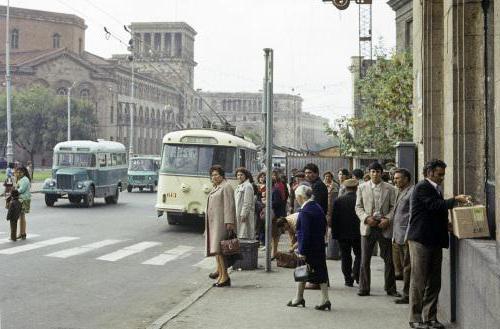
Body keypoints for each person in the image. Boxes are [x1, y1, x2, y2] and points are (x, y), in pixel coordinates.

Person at [406, 160, 469, 329]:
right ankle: (416, 319)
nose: (442, 178)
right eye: (439, 174)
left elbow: (433, 212)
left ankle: (430, 317)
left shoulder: (435, 188)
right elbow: (434, 206)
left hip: (434, 239)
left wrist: (446, 225)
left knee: (434, 281)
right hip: (420, 240)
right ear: (429, 172)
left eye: (443, 174)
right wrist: (455, 200)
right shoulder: (422, 187)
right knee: (419, 281)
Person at [355, 162, 399, 297]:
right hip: (368, 227)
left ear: (382, 173)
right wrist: (366, 218)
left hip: (383, 227)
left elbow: (394, 207)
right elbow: (358, 207)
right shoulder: (362, 187)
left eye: (378, 172)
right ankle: (364, 288)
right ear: (369, 172)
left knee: (389, 259)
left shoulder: (390, 188)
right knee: (365, 259)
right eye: (373, 171)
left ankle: (390, 288)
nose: (375, 174)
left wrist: (387, 219)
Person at [287, 185, 330, 311]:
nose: (296, 199)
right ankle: (321, 298)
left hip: (309, 247)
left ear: (300, 197)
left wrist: (302, 251)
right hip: (318, 245)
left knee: (303, 271)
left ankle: (301, 298)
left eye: (296, 197)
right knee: (318, 272)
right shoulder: (317, 207)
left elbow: (304, 233)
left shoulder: (305, 212)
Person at [205, 165, 236, 287]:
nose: (214, 177)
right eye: (212, 175)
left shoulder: (226, 186)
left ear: (222, 175)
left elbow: (229, 206)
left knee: (221, 251)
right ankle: (222, 275)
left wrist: (229, 222)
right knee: (217, 252)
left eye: (216, 174)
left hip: (222, 224)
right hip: (214, 224)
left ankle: (225, 277)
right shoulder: (216, 187)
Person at [331, 179, 361, 287]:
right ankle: (357, 274)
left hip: (342, 234)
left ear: (345, 188)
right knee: (360, 255)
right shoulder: (359, 199)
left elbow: (334, 219)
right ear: (357, 188)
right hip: (358, 233)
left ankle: (348, 279)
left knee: (345, 256)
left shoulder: (339, 200)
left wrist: (335, 234)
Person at [391, 168, 414, 304]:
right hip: (397, 235)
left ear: (406, 179)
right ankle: (406, 293)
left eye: (398, 178)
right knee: (402, 267)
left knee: (408, 267)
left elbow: (412, 215)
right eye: (395, 178)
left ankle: (407, 294)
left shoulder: (412, 192)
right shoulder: (400, 191)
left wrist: (408, 235)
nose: (395, 180)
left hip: (406, 236)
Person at [234, 167, 256, 240]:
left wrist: (243, 214)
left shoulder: (248, 186)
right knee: (240, 234)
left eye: (241, 175)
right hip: (238, 213)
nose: (239, 177)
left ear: (245, 175)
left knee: (244, 234)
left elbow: (247, 202)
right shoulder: (239, 186)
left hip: (244, 215)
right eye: (238, 175)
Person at [15, 166, 31, 240]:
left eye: (20, 172)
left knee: (22, 217)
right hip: (22, 199)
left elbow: (21, 189)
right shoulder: (21, 179)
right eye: (17, 172)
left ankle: (22, 233)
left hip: (23, 199)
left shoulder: (24, 179)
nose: (18, 173)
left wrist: (15, 191)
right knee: (21, 217)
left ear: (24, 172)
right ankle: (22, 233)